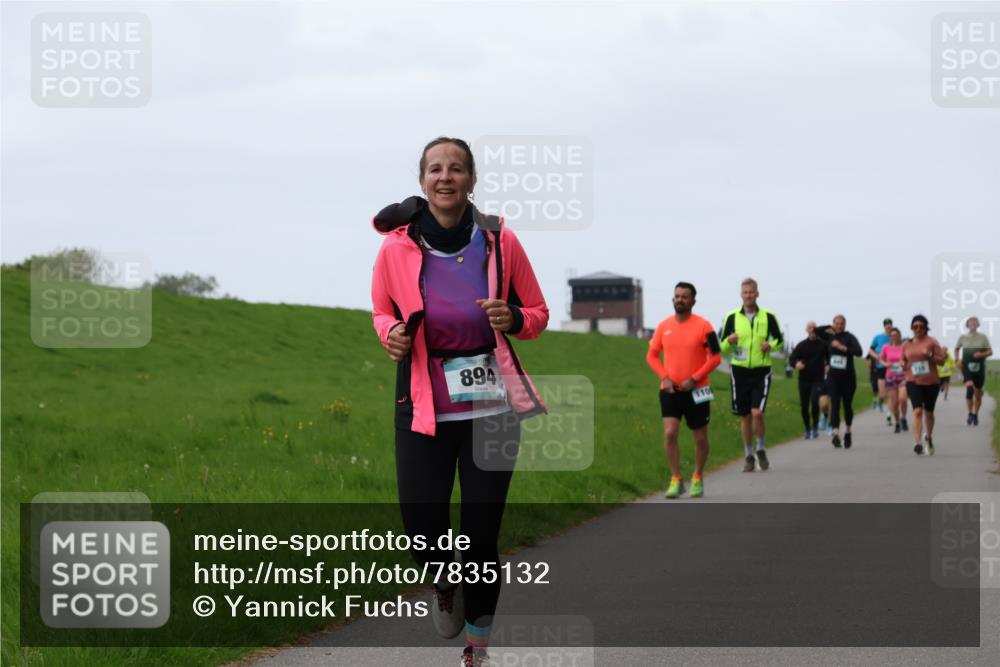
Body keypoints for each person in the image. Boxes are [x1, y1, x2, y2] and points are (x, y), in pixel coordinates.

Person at [371, 137, 548, 667]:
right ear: (423, 181)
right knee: (422, 525)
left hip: (491, 408)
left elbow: (536, 311)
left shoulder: (501, 241)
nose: (444, 177)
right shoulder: (395, 247)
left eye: (455, 169)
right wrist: (392, 335)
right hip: (422, 404)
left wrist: (513, 319)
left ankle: (477, 647)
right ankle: (444, 581)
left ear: (472, 180)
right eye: (434, 169)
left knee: (481, 534)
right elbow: (381, 312)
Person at [646, 282, 721, 498]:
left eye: (685, 296)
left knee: (700, 438)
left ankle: (697, 476)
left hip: (698, 390)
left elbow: (715, 358)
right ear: (673, 299)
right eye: (677, 296)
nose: (680, 299)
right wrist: (664, 378)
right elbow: (651, 356)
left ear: (693, 301)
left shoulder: (704, 327)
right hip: (670, 391)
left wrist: (695, 378)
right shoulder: (663, 326)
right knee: (670, 434)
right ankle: (676, 479)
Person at [718, 278, 784, 472]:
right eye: (745, 292)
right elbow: (720, 347)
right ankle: (748, 454)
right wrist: (729, 341)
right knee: (745, 416)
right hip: (738, 372)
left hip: (761, 370)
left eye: (751, 292)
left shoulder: (768, 317)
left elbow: (779, 340)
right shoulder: (731, 317)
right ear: (741, 295)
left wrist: (770, 345)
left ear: (757, 294)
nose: (748, 295)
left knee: (758, 413)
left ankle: (761, 448)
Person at [902, 315, 948, 455]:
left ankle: (928, 437)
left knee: (929, 413)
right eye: (915, 326)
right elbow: (903, 360)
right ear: (912, 328)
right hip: (913, 381)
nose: (918, 329)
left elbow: (942, 361)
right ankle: (917, 442)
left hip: (931, 382)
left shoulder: (932, 342)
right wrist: (902, 364)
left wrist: (930, 356)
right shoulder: (906, 344)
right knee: (917, 411)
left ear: (925, 328)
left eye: (921, 326)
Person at [817, 315, 863, 448]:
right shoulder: (830, 336)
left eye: (841, 323)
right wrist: (829, 327)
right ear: (834, 325)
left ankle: (848, 431)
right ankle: (836, 433)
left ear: (845, 324)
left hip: (848, 378)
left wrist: (844, 348)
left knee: (847, 405)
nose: (839, 326)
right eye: (837, 323)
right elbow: (817, 330)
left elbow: (859, 352)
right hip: (833, 377)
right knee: (835, 404)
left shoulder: (849, 337)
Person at [788, 321, 829, 440]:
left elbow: (830, 356)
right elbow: (792, 359)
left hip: (818, 379)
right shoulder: (801, 345)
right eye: (809, 328)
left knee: (815, 401)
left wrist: (828, 365)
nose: (812, 330)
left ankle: (815, 427)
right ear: (806, 329)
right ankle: (807, 429)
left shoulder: (823, 344)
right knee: (804, 406)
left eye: (814, 328)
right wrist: (796, 364)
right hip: (804, 380)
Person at [955, 316, 993, 426]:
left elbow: (990, 352)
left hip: (979, 367)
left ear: (977, 325)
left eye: (974, 322)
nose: (972, 324)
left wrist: (982, 354)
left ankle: (976, 414)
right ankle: (970, 413)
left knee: (978, 393)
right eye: (970, 322)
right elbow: (956, 349)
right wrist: (957, 359)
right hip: (966, 366)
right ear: (967, 325)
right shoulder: (962, 337)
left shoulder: (983, 337)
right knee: (969, 389)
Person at [879, 327, 909, 433]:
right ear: (890, 337)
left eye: (896, 334)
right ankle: (897, 422)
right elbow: (881, 358)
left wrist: (904, 363)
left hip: (903, 376)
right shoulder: (886, 347)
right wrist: (885, 364)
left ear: (899, 336)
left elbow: (909, 359)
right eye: (892, 335)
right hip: (890, 377)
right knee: (895, 403)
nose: (894, 336)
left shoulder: (904, 347)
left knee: (903, 399)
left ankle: (904, 418)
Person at [868, 318, 894, 424]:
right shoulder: (878, 337)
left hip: (893, 368)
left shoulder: (895, 337)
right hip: (880, 367)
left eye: (889, 324)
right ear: (884, 326)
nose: (888, 326)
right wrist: (877, 357)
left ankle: (889, 415)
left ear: (892, 325)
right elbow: (870, 350)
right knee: (882, 394)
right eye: (886, 325)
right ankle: (880, 401)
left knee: (891, 393)